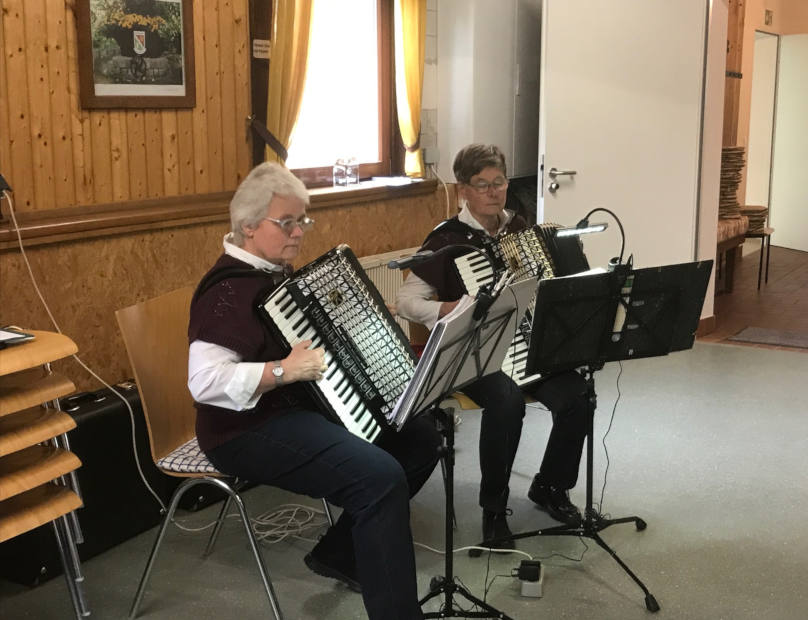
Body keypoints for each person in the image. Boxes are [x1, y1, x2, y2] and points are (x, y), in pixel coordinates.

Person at [187, 162, 440, 620]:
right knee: (378, 479)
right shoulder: (225, 294)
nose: (299, 232)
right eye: (287, 222)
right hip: (240, 430)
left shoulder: (271, 273)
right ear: (247, 226)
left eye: (303, 220)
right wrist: (282, 372)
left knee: (421, 438)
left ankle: (343, 555)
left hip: (291, 411)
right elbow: (205, 382)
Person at [396, 143, 592, 548]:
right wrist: (453, 307)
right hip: (475, 354)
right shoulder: (446, 240)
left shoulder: (522, 230)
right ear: (463, 190)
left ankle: (551, 486)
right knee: (507, 401)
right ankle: (493, 507)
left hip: (528, 347)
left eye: (498, 182)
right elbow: (406, 303)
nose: (492, 191)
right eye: (481, 185)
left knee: (577, 396)